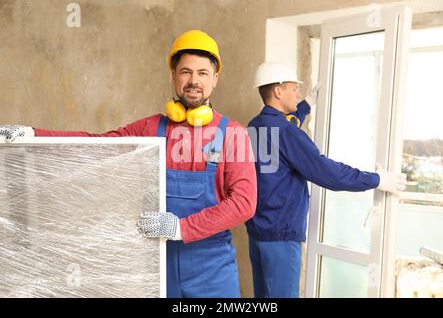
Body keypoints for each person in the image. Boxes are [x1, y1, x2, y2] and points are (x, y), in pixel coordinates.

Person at [0, 30, 257, 298]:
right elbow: (96, 146)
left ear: (215, 79)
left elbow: (244, 203)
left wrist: (181, 228)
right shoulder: (151, 128)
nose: (194, 80)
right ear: (173, 76)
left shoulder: (233, 134)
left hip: (211, 270)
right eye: (186, 72)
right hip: (156, 262)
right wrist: (33, 135)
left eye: (203, 73)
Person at [245, 61, 407, 298]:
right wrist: (376, 179)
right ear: (278, 91)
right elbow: (327, 173)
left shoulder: (254, 126)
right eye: (293, 89)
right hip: (281, 237)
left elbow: (284, 128)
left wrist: (305, 105)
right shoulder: (288, 133)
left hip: (258, 233)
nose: (298, 93)